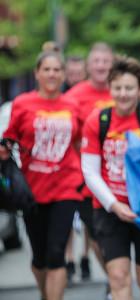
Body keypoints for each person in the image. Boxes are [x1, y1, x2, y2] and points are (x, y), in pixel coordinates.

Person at [81, 56, 140, 300]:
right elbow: (90, 171)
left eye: (129, 88)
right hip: (110, 210)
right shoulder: (98, 120)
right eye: (118, 88)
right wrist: (114, 204)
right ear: (110, 88)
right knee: (119, 276)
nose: (123, 94)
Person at [0, 51, 84, 300]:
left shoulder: (73, 105)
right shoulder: (23, 104)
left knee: (57, 253)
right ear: (37, 73)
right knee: (39, 257)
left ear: (63, 74)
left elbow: (80, 143)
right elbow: (11, 136)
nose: (51, 74)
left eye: (57, 69)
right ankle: (45, 293)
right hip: (32, 191)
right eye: (46, 69)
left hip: (66, 187)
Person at [64, 42, 114, 287]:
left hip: (121, 176)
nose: (101, 65)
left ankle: (118, 279)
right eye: (97, 61)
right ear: (88, 66)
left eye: (106, 61)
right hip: (87, 178)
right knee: (96, 233)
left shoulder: (122, 90)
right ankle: (113, 278)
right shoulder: (73, 96)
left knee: (117, 233)